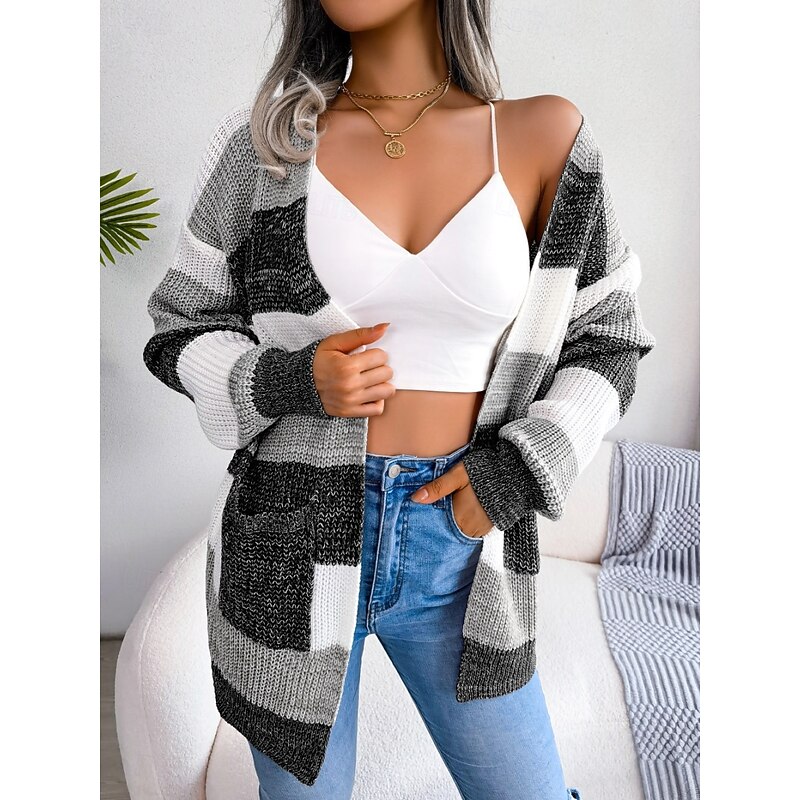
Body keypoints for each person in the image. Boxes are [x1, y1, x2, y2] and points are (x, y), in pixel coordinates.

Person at [142, 1, 656, 798]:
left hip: (459, 541)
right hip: (286, 538)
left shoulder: (544, 134)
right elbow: (181, 322)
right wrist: (288, 379)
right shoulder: (264, 149)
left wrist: (514, 474)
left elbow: (609, 338)